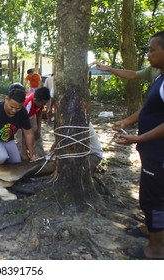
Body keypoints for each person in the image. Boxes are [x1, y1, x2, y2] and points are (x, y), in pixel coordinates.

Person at [113, 31, 164, 260]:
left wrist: (138, 139)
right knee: (150, 194)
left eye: (152, 50)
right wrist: (127, 121)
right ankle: (150, 230)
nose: (149, 55)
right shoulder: (159, 78)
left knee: (154, 198)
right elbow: (148, 109)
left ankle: (156, 249)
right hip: (151, 151)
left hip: (159, 152)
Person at [16, 86, 50, 160]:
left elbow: (39, 112)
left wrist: (38, 129)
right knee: (21, 138)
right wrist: (26, 151)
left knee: (37, 135)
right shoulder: (27, 104)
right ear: (35, 100)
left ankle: (40, 156)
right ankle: (22, 157)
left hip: (31, 115)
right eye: (42, 103)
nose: (43, 105)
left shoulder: (39, 99)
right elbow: (24, 130)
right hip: (18, 119)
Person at [94, 61, 161, 84]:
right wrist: (108, 69)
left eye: (152, 51)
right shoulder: (153, 69)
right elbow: (133, 75)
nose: (148, 54)